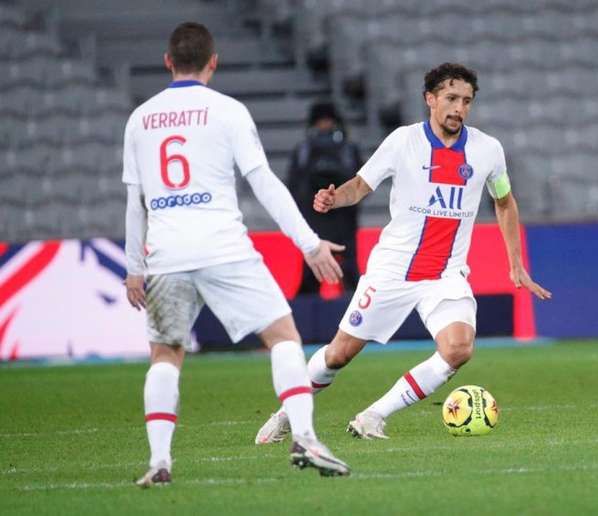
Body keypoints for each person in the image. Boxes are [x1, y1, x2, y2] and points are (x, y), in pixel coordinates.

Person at [255, 62, 551, 444]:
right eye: (450, 98)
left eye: (466, 101)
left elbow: (505, 202)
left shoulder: (488, 150)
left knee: (458, 349)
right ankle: (287, 413)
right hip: (393, 269)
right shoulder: (403, 141)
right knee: (338, 355)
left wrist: (516, 263)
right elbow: (361, 185)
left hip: (446, 275)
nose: (458, 108)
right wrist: (334, 198)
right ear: (430, 99)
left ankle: (373, 415)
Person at [123, 22, 350, 486]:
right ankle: (304, 437)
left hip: (166, 255)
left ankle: (159, 463)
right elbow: (263, 182)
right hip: (224, 247)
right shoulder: (227, 111)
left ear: (168, 62)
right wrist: (309, 242)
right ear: (214, 62)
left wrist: (134, 268)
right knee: (284, 336)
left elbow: (135, 201)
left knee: (165, 356)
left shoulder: (140, 119)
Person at [287, 101, 362, 294]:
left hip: (343, 221)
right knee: (311, 274)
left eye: (328, 121)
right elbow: (294, 186)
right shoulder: (303, 150)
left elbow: (362, 185)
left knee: (350, 274)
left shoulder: (348, 149)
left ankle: (356, 319)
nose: (324, 126)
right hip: (313, 221)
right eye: (321, 122)